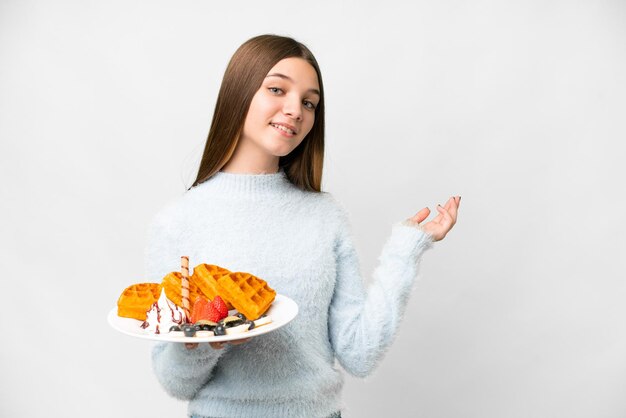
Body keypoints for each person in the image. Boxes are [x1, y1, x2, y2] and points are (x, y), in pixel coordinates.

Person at [147, 34, 460, 418]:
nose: (295, 110)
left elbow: (359, 354)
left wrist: (406, 250)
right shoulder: (178, 222)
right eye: (277, 89)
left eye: (309, 102)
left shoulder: (325, 216)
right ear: (239, 93)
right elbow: (175, 382)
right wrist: (203, 342)